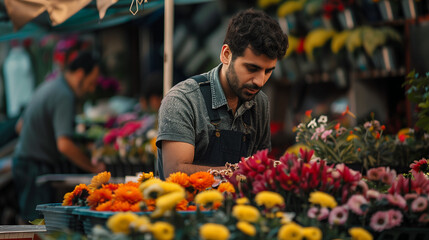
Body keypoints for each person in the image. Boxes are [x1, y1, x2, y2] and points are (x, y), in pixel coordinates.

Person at [156, 8, 288, 179]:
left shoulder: (259, 103)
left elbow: (260, 168)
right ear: (226, 55)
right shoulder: (182, 100)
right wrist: (242, 172)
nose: (260, 81)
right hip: (185, 205)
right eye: (252, 68)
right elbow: (175, 171)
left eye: (268, 71)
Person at [13, 50, 106, 222]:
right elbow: (64, 145)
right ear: (80, 74)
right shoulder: (64, 95)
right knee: (40, 226)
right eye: (91, 83)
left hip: (23, 164)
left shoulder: (50, 85)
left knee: (33, 223)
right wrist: (93, 168)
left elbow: (20, 127)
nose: (91, 89)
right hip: (35, 168)